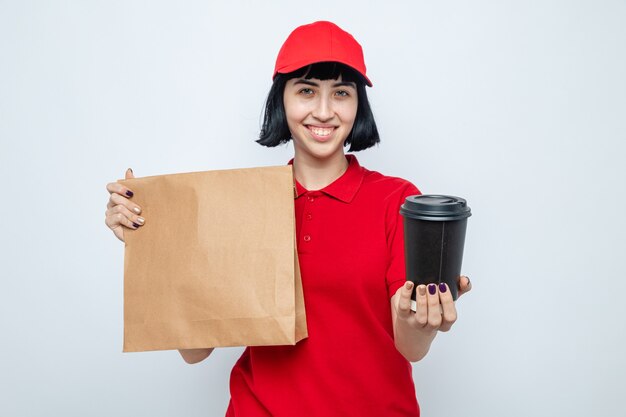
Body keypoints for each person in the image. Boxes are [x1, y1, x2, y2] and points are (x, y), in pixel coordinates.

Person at [105, 21, 471, 417]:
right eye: (307, 91)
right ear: (281, 99)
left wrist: (419, 321)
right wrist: (152, 243)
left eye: (342, 93)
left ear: (357, 106)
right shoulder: (242, 204)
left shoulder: (396, 200)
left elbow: (410, 349)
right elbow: (195, 350)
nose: (324, 111)